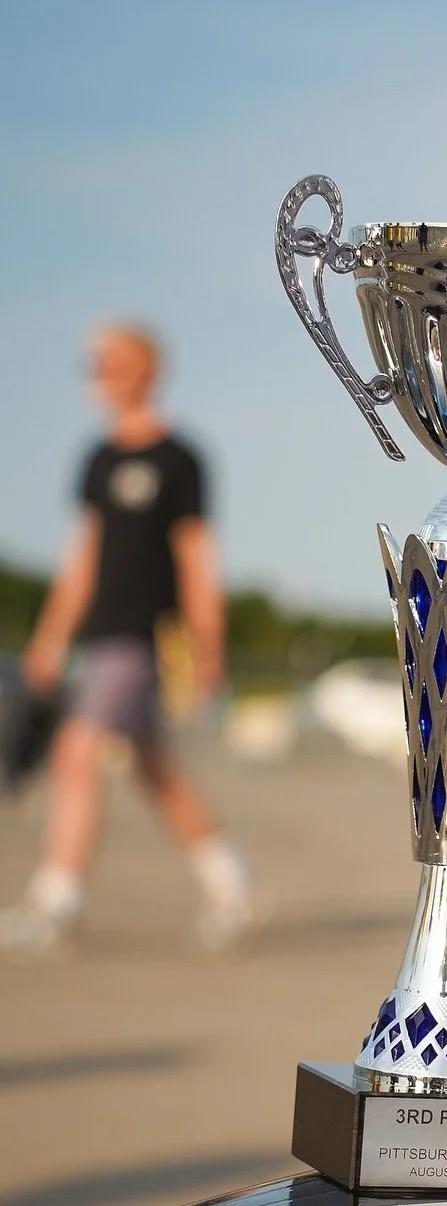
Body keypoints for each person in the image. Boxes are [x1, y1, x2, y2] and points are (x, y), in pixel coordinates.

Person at [0, 323, 253, 952]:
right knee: (153, 767)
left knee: (75, 753)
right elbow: (83, 553)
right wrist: (50, 636)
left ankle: (56, 900)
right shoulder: (99, 458)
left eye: (110, 361)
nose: (98, 373)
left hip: (143, 637)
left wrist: (208, 645)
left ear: (146, 368)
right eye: (93, 363)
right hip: (99, 632)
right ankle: (231, 882)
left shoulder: (178, 458)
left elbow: (196, 556)